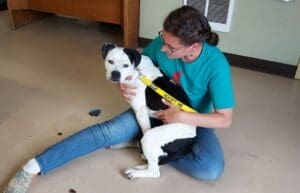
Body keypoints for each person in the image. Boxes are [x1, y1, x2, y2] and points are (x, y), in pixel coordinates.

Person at [4, 5, 235, 193]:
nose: (162, 48)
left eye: (171, 47)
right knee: (107, 132)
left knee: (210, 169)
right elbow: (132, 69)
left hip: (191, 119)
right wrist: (123, 86)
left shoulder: (216, 65)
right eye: (162, 39)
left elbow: (225, 119)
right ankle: (34, 167)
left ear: (193, 46)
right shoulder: (159, 45)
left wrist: (181, 116)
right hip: (148, 108)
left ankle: (147, 145)